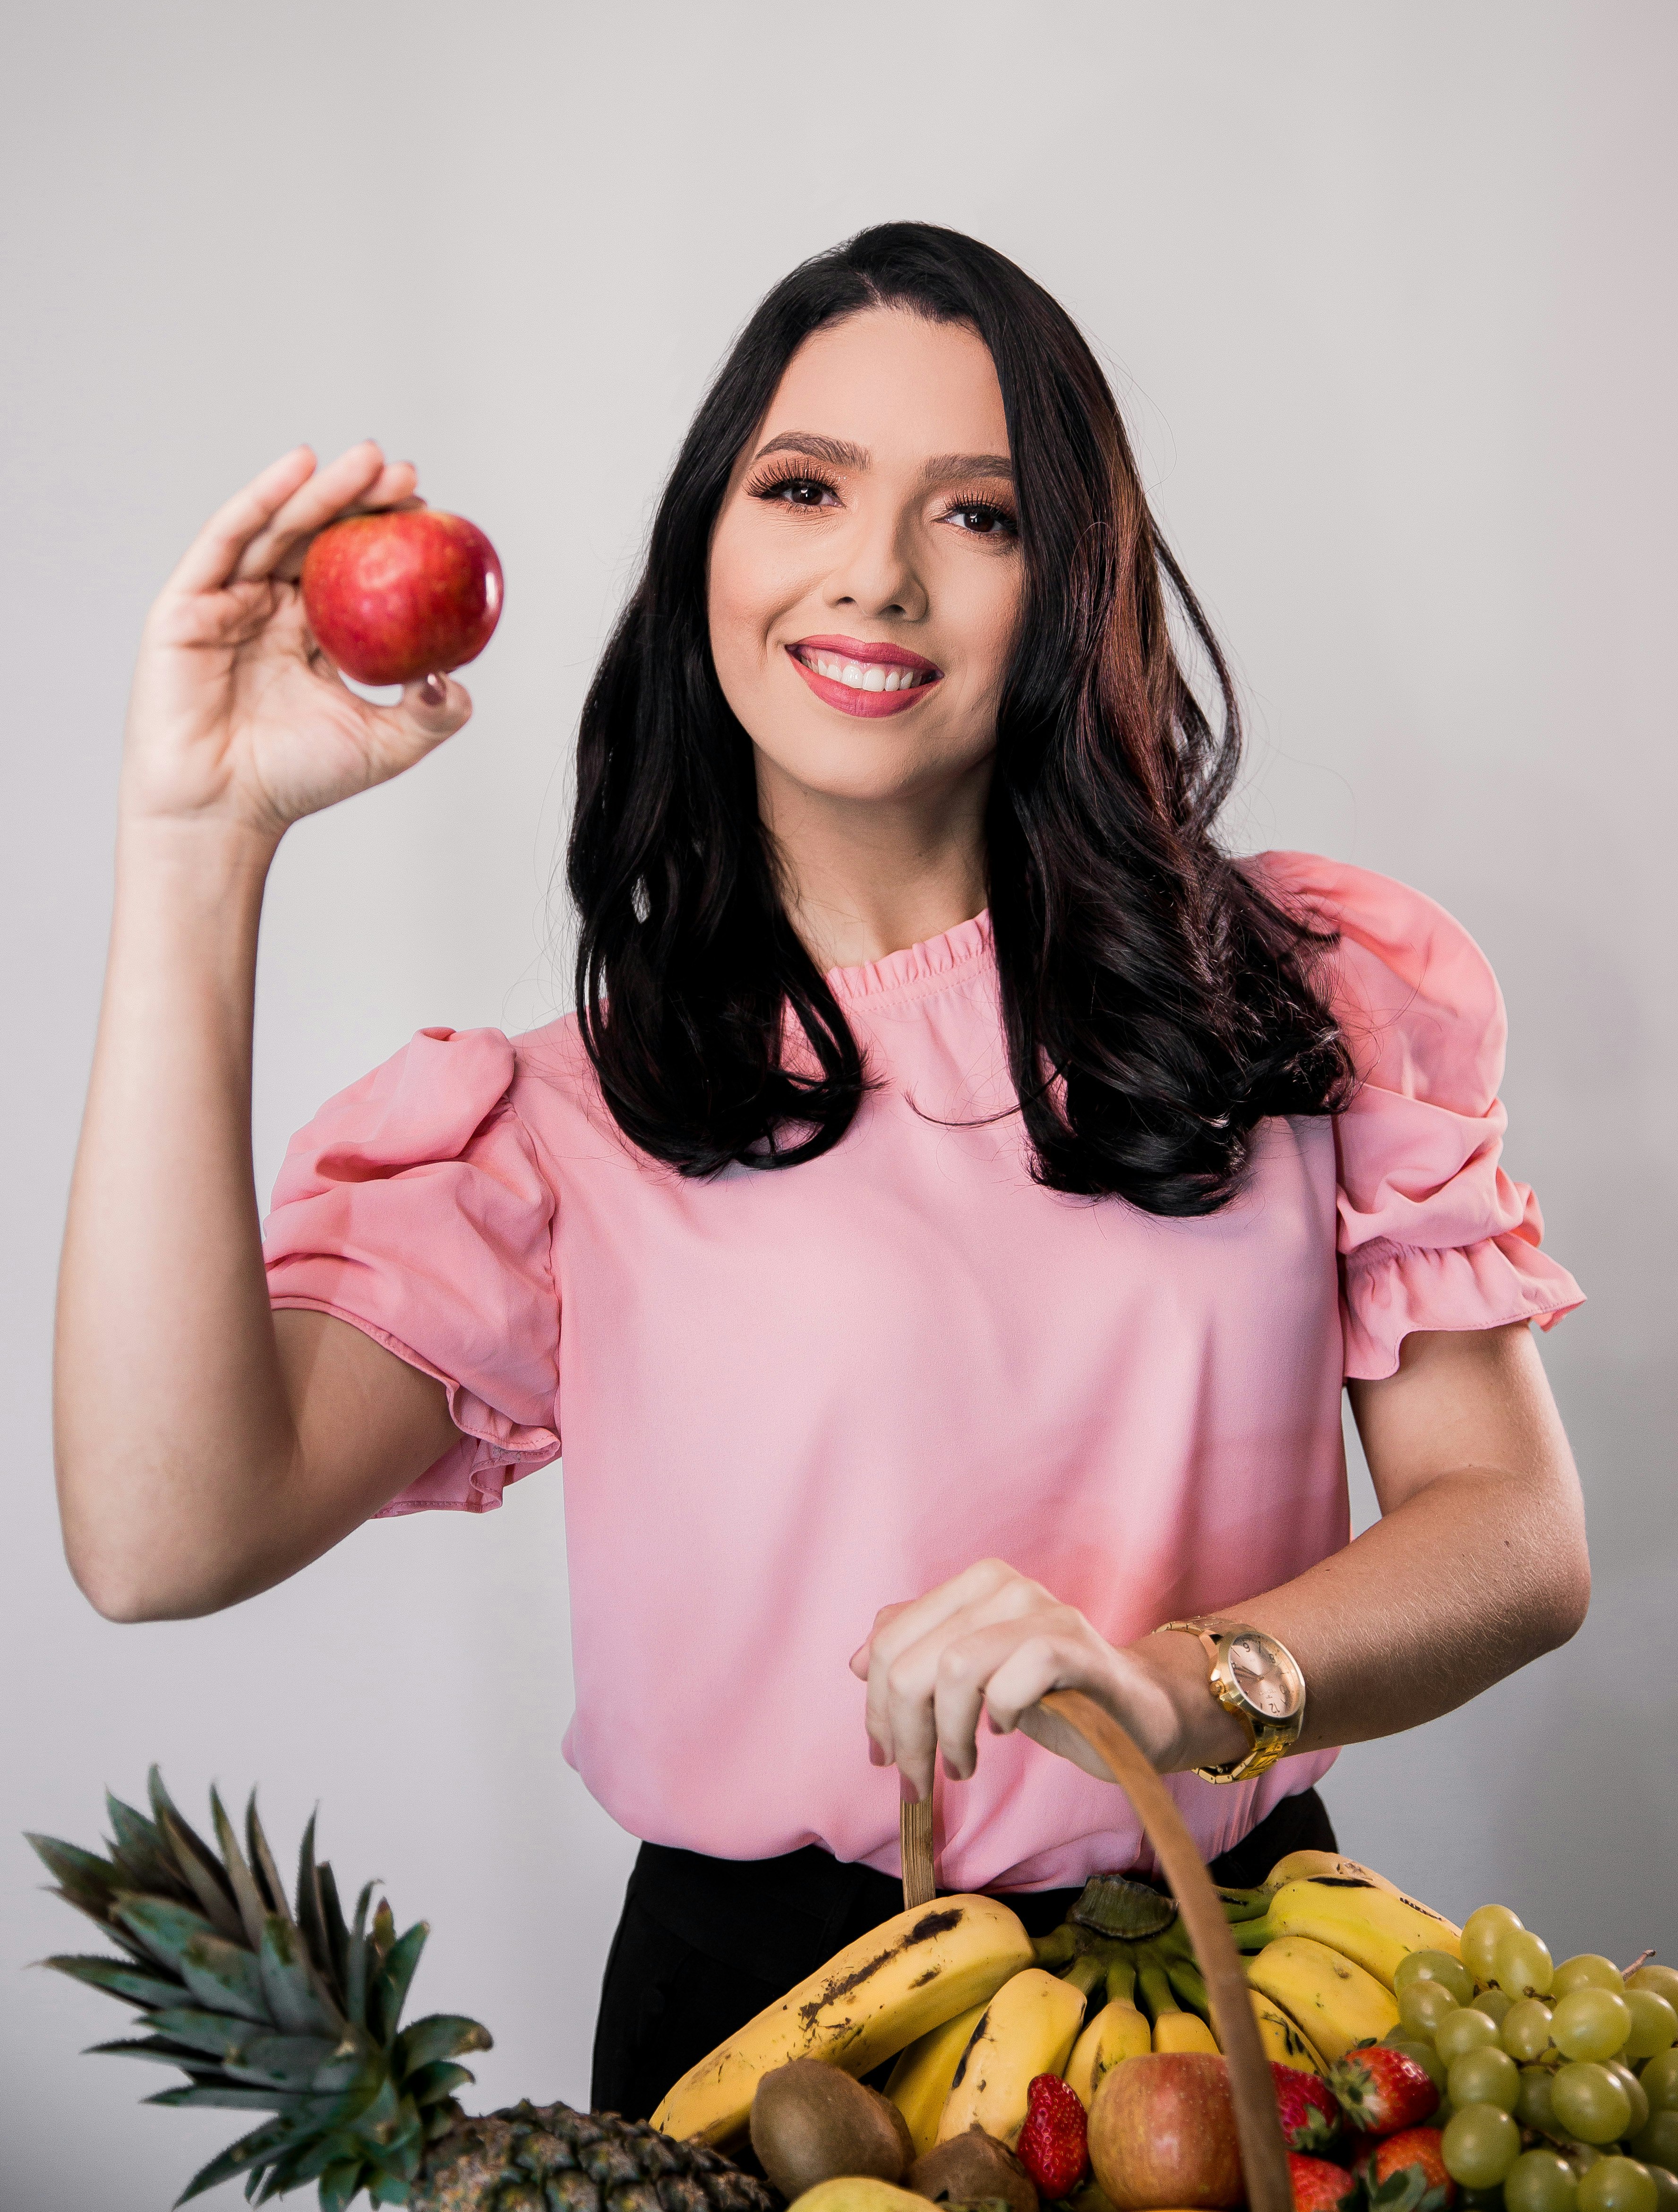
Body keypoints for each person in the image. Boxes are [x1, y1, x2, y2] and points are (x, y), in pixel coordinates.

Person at [55, 223, 1589, 2120]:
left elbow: (1516, 1538)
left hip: (1247, 1978)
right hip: (771, 2041)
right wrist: (197, 839)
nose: (874, 572)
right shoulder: (554, 1134)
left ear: (1070, 583)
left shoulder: (1305, 993)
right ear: (710, 543)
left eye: (981, 516)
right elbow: (160, 1538)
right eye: (804, 489)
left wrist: (1189, 1688)